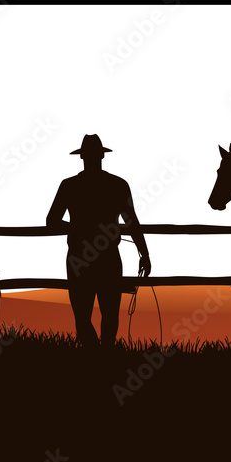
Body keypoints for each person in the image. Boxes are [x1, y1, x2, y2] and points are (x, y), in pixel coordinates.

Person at [47, 134, 151, 348]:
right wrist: (144, 253)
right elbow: (131, 222)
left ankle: (93, 353)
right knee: (109, 313)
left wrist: (76, 228)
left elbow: (52, 221)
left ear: (81, 157)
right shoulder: (118, 185)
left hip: (79, 258)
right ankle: (105, 353)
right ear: (102, 156)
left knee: (82, 315)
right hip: (108, 257)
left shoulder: (70, 185)